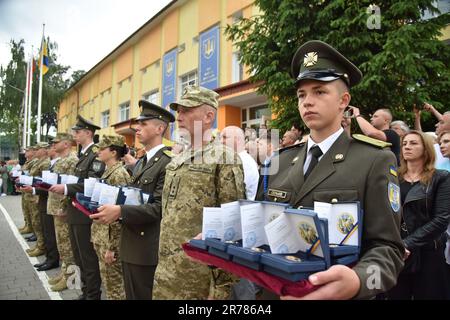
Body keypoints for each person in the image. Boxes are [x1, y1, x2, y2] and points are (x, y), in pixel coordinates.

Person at [257, 40, 404, 300]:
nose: (307, 102)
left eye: (319, 92)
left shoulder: (374, 160)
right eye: (302, 95)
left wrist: (359, 281)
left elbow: (390, 252)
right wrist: (218, 244)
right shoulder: (277, 162)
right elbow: (257, 231)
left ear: (343, 101)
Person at [152, 86, 246, 300]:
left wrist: (221, 286)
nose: (179, 116)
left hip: (199, 279)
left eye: (186, 110)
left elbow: (232, 224)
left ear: (208, 116)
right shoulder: (177, 159)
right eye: (179, 111)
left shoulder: (224, 158)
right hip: (167, 272)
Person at [90, 101, 175, 300]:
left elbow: (160, 208)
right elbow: (134, 198)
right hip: (130, 242)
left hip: (147, 247)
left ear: (159, 128)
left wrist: (120, 211)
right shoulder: (142, 163)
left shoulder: (167, 162)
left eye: (144, 124)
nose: (137, 128)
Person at [387, 130, 450, 299]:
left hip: (429, 252)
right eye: (404, 143)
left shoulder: (441, 178)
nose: (407, 147)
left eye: (413, 143)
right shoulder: (393, 178)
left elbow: (442, 219)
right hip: (398, 253)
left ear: (426, 149)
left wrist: (408, 243)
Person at [49, 115, 105, 300]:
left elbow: (92, 184)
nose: (75, 134)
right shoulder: (82, 155)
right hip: (75, 210)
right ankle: (86, 291)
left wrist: (65, 188)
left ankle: (93, 295)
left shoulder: (95, 153)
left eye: (78, 131)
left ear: (88, 133)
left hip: (84, 212)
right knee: (78, 256)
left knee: (88, 258)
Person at [90, 135, 131, 300]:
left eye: (102, 149)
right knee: (109, 284)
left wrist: (112, 247)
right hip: (101, 236)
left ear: (113, 152)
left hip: (110, 241)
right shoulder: (108, 171)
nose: (98, 152)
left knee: (115, 289)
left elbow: (119, 215)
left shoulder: (119, 175)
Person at [45, 133, 79, 292]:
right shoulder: (60, 160)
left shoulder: (72, 161)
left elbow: (71, 187)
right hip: (55, 206)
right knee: (62, 245)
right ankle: (65, 273)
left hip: (62, 208)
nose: (53, 145)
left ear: (66, 144)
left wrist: (64, 208)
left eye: (56, 142)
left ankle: (72, 280)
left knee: (68, 246)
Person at [20, 142, 51, 258]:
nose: (36, 151)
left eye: (38, 149)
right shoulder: (37, 162)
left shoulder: (45, 163)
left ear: (44, 150)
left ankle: (41, 246)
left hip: (37, 196)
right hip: (31, 194)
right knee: (35, 221)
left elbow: (42, 181)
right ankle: (39, 244)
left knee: (38, 222)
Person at [220, 126, 259, 201]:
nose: (221, 141)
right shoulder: (234, 160)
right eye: (220, 138)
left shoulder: (245, 162)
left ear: (238, 140)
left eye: (225, 137)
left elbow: (236, 195)